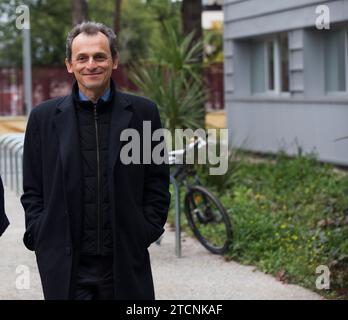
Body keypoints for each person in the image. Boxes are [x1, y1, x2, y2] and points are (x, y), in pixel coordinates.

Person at [21, 21, 170, 300]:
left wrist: (145, 230)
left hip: (124, 260)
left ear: (114, 61)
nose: (91, 64)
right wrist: (40, 233)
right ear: (70, 65)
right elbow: (33, 189)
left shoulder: (143, 113)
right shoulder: (42, 118)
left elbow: (157, 182)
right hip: (66, 264)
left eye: (100, 56)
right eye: (82, 58)